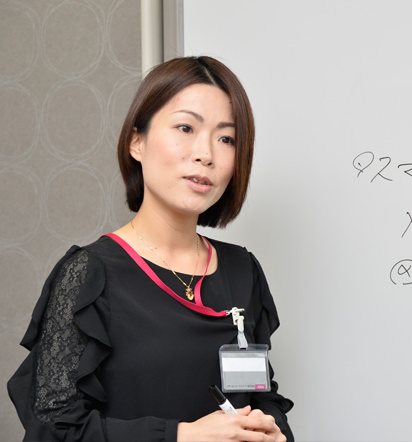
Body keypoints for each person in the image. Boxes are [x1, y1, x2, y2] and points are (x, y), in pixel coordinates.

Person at [8, 56, 294, 442]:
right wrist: (180, 436)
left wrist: (272, 431)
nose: (206, 153)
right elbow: (54, 427)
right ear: (137, 142)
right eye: (185, 128)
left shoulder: (242, 270)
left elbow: (260, 397)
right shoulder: (90, 274)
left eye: (226, 138)